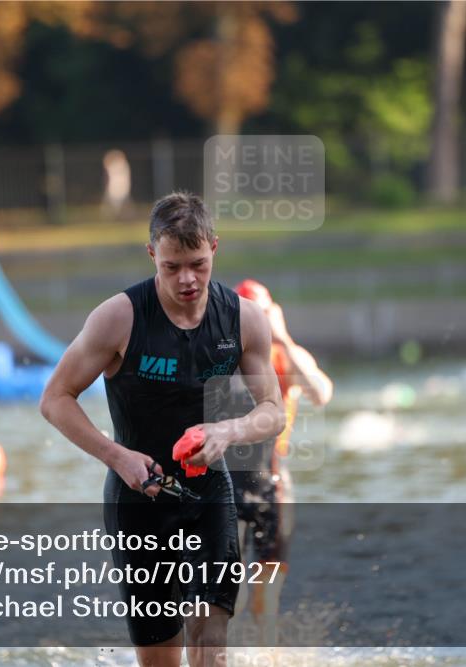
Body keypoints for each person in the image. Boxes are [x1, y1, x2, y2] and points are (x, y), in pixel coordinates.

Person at [39, 192, 285, 667]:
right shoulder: (119, 317)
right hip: (137, 503)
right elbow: (54, 399)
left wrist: (228, 432)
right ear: (152, 254)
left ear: (215, 248)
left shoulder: (244, 318)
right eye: (172, 267)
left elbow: (273, 411)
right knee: (161, 659)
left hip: (208, 492)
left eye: (198, 264)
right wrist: (118, 456)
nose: (186, 279)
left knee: (210, 629)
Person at [229, 279, 333, 647]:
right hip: (226, 489)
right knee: (229, 597)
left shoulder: (285, 355)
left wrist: (283, 338)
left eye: (260, 316)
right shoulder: (221, 355)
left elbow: (321, 393)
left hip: (273, 488)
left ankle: (268, 658)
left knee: (266, 600)